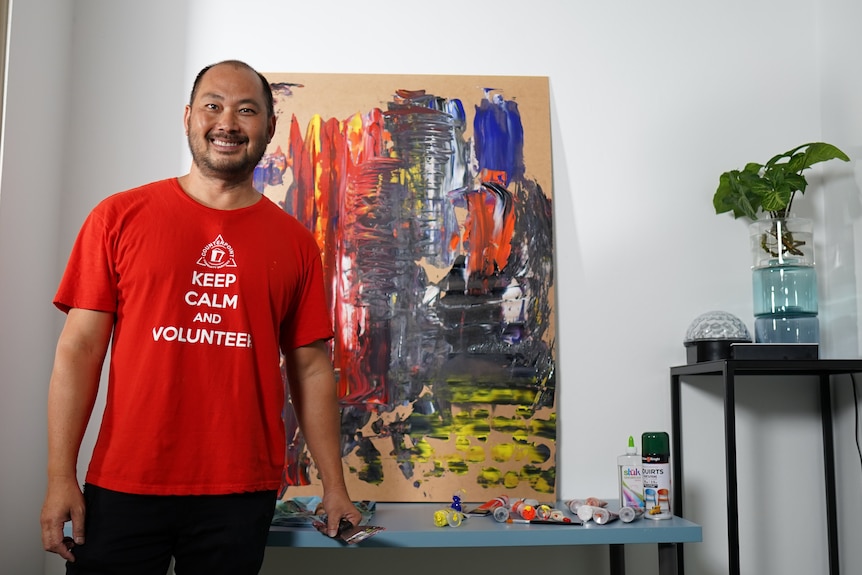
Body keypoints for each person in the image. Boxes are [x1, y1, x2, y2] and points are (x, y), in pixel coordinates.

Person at [39, 59, 361, 574]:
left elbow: (312, 368)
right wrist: (60, 476)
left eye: (246, 110)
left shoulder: (297, 244)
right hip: (125, 480)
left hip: (239, 490)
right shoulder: (117, 218)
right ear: (188, 116)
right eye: (213, 106)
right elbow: (78, 351)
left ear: (270, 127)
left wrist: (335, 486)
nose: (227, 123)